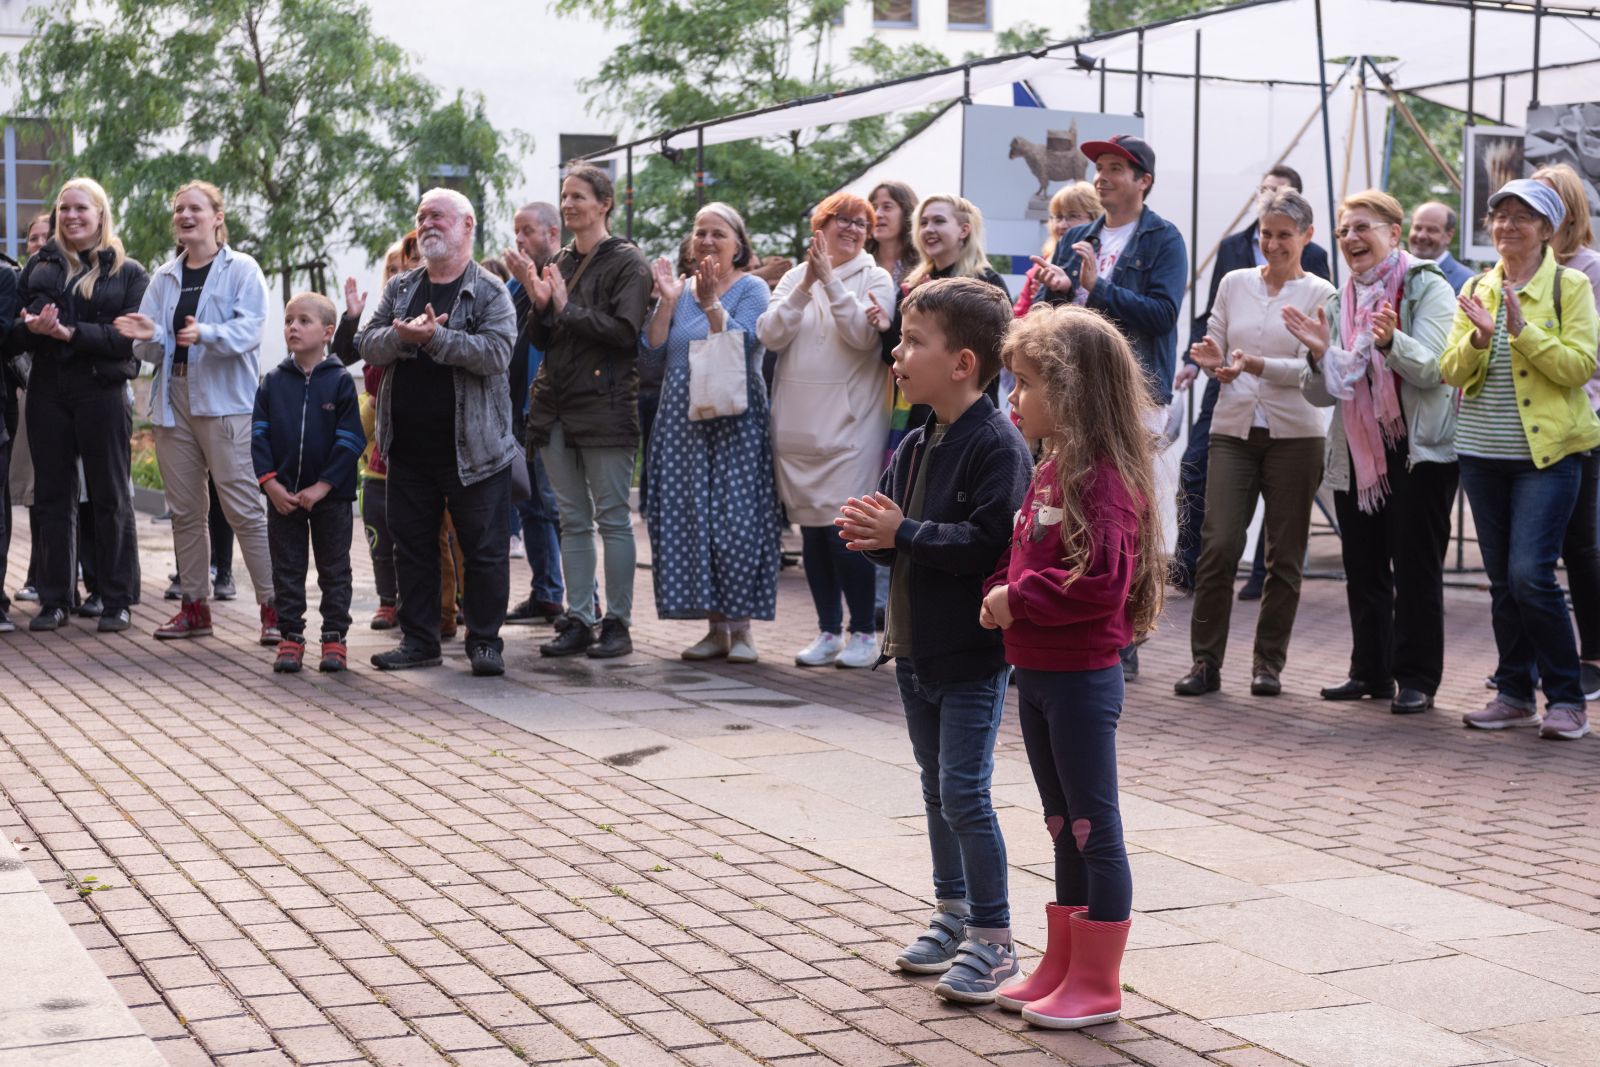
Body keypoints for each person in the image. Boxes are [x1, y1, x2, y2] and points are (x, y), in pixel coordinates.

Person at [837, 277, 1030, 1002]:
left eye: (915, 340)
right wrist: (875, 538)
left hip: (972, 655)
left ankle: (995, 936)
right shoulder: (917, 440)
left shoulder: (996, 445)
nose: (897, 351)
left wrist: (903, 533)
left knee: (965, 793)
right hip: (914, 647)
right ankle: (952, 912)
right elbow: (905, 539)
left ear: (963, 363)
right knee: (935, 788)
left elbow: (987, 544)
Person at [982, 304, 1162, 1029]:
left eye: (1024, 383)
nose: (1013, 400)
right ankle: (1062, 962)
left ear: (1073, 390)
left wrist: (1015, 599)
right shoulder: (1050, 466)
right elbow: (1024, 551)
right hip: (1038, 672)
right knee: (1062, 822)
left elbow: (1099, 583)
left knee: (1094, 827)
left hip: (1081, 679)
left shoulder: (1104, 480)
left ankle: (1098, 980)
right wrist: (998, 591)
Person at [1288, 190, 1461, 714]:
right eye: (1344, 231)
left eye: (1363, 227)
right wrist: (1320, 355)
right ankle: (1370, 670)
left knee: (1414, 567)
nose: (1351, 239)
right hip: (1357, 451)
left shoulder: (1428, 287)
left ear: (1394, 232)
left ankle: (1416, 678)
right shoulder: (1338, 300)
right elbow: (1318, 393)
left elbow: (1435, 368)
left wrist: (1390, 343)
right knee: (1363, 564)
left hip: (1417, 450)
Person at [1442, 178, 1600, 741]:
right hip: (1481, 454)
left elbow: (1581, 366)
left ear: (1548, 230)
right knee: (1502, 582)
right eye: (1500, 216)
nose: (1508, 226)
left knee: (1531, 575)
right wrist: (1479, 341)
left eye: (1523, 217)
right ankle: (1514, 695)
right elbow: (1451, 372)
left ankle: (1565, 698)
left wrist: (1524, 331)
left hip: (1548, 455)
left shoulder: (1572, 285)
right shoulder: (1480, 287)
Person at [1032, 133, 1187, 680]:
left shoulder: (1164, 238)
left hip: (1134, 395)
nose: (1102, 175)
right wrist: (1054, 288)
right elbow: (1049, 314)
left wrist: (1097, 288)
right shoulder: (1077, 234)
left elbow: (1163, 315)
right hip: (1071, 392)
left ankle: (1124, 632)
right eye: (1098, 166)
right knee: (1068, 500)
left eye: (1116, 167)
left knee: (1122, 511)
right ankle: (1069, 613)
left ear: (1143, 180)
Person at [1173, 190, 1335, 698]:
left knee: (1283, 556)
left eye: (1284, 234)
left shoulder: (1322, 293)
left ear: (1307, 237)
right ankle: (1205, 663)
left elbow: (1316, 368)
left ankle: (1268, 664)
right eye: (1265, 233)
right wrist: (1211, 357)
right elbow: (1216, 337)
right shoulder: (1234, 281)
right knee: (1218, 545)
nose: (1272, 243)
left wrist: (1255, 365)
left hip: (1296, 436)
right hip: (1233, 428)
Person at [356, 188, 520, 677]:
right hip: (407, 447)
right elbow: (367, 343)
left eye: (438, 217)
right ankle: (421, 640)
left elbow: (496, 354)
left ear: (467, 225)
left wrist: (438, 339)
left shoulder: (490, 291)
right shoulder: (401, 288)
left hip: (475, 449)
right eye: (421, 216)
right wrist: (405, 338)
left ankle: (485, 643)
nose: (426, 223)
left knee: (484, 550)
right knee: (412, 547)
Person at [118, 181, 276, 643]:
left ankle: (275, 609)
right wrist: (147, 333)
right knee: (185, 511)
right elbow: (147, 347)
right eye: (179, 209)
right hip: (174, 400)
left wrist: (203, 333)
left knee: (244, 509)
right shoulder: (165, 276)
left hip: (226, 401)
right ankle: (194, 607)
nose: (185, 216)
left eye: (195, 209)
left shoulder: (242, 269)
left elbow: (250, 331)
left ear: (217, 217)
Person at [758, 192, 895, 669]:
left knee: (846, 531)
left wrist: (832, 281)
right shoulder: (795, 275)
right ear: (821, 225)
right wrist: (806, 284)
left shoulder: (877, 277)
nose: (853, 229)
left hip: (851, 427)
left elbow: (862, 336)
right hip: (796, 426)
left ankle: (862, 632)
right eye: (844, 220)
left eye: (863, 223)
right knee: (812, 532)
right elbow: (770, 334)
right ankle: (826, 631)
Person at [642, 203, 779, 662]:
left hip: (736, 421)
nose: (706, 240)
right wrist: (665, 300)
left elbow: (748, 344)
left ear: (738, 243)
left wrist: (711, 305)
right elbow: (653, 355)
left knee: (736, 522)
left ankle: (743, 631)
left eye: (717, 233)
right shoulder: (679, 290)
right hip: (683, 423)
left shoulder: (753, 287)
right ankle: (714, 629)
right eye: (699, 232)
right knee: (693, 522)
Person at [526, 165, 653, 660]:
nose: (568, 204)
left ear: (604, 203)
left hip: (605, 406)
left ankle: (617, 623)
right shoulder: (558, 259)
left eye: (578, 196)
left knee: (613, 519)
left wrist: (563, 307)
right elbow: (539, 338)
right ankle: (579, 617)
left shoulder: (628, 262)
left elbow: (625, 335)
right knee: (572, 519)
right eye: (564, 196)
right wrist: (539, 305)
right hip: (556, 405)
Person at [19, 179, 146, 634]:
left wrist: (69, 333)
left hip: (102, 392)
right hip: (49, 390)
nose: (71, 217)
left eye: (80, 209)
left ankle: (116, 599)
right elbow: (17, 327)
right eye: (63, 209)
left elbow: (124, 341)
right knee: (53, 497)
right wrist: (31, 327)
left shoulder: (129, 273)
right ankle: (55, 599)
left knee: (111, 496)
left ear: (100, 214)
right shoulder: (40, 265)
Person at [252, 293, 364, 673]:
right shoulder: (272, 382)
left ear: (328, 332)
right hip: (283, 496)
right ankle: (290, 637)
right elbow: (258, 436)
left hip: (330, 498)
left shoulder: (341, 382)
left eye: (303, 321)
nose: (293, 327)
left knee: (334, 569)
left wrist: (323, 487)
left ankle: (334, 638)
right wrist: (270, 484)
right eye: (288, 321)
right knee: (287, 569)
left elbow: (351, 440)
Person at [1533, 164, 1600, 700]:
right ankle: (1530, 661)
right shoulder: (1518, 271)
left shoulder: (1590, 271)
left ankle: (1591, 655)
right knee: (1528, 555)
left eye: (1547, 203)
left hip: (1580, 426)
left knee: (1579, 546)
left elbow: (1590, 363)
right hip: (1524, 429)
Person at [503, 202, 566, 626]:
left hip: (553, 409)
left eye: (528, 231)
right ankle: (545, 593)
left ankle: (584, 598)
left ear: (553, 234)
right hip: (515, 412)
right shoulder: (513, 288)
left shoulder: (564, 277)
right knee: (530, 506)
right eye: (517, 232)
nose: (521, 240)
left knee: (559, 508)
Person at [8, 212, 52, 617]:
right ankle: (40, 575)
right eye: (32, 237)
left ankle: (52, 578)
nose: (37, 243)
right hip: (27, 393)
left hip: (45, 393)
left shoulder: (13, 277)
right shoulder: (21, 278)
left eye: (45, 236)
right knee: (32, 494)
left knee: (47, 494)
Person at [1013, 182, 1101, 318]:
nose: (1062, 225)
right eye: (1058, 217)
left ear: (1095, 218)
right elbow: (1021, 313)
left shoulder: (1106, 258)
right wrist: (1045, 294)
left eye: (1073, 216)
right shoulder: (1043, 262)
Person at [1408, 201, 1474, 292]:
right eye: (1417, 228)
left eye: (1431, 230)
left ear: (1449, 236)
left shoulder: (1466, 282)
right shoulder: (1397, 272)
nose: (1421, 236)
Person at [867, 181, 919, 290]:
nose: (877, 214)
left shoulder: (922, 266)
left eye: (887, 207)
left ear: (907, 213)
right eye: (874, 208)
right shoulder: (862, 263)